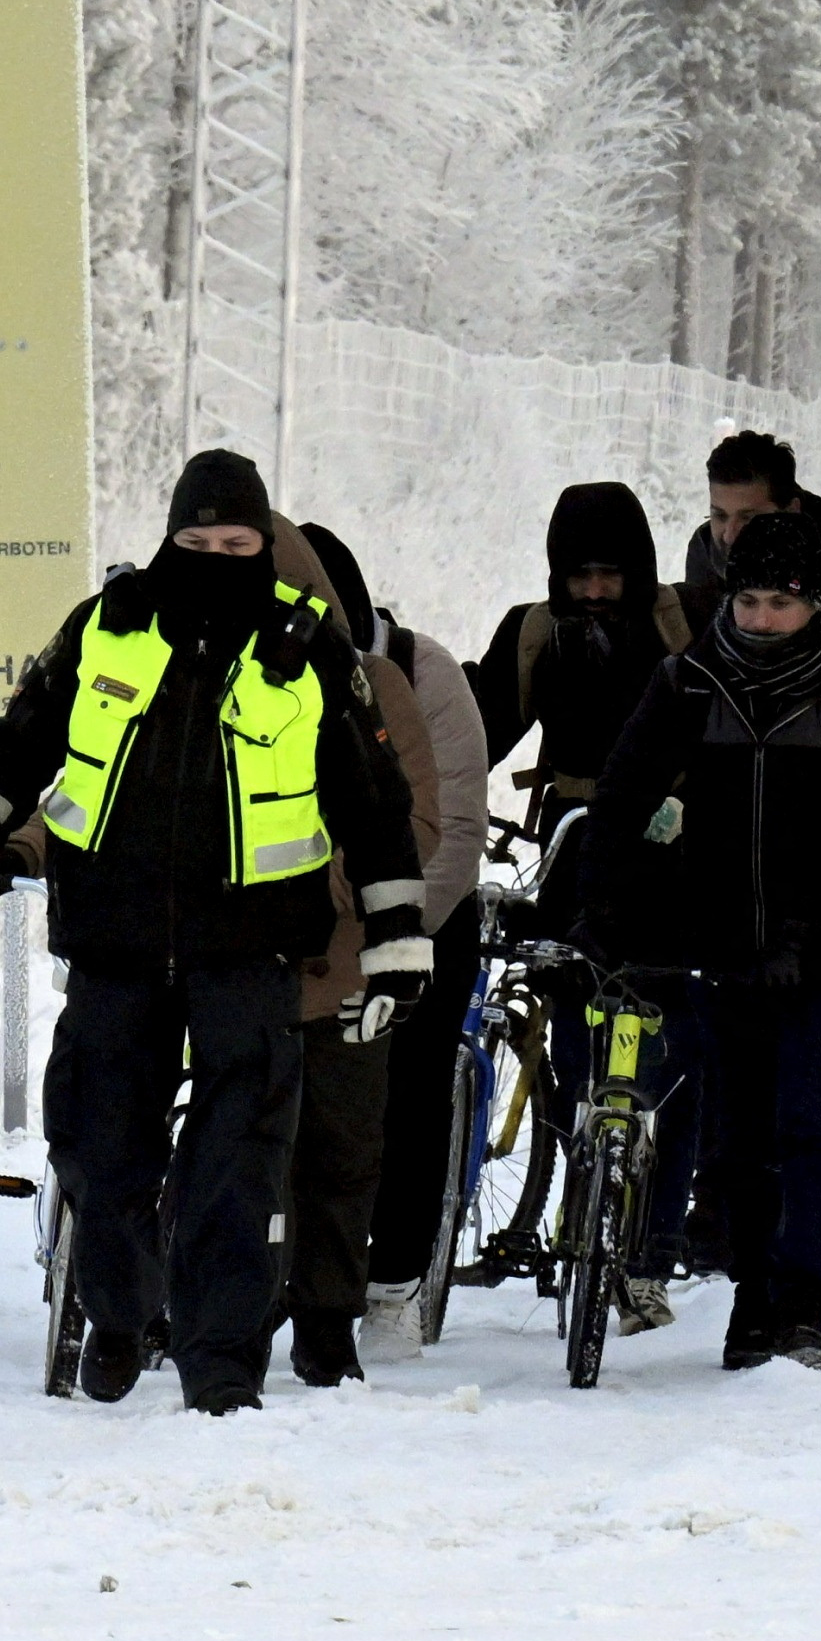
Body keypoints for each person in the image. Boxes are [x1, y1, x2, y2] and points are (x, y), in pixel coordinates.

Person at [0, 452, 425, 1411]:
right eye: (197, 542)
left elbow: (375, 803)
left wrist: (398, 939)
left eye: (237, 543)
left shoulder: (306, 645)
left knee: (238, 1172)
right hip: (115, 943)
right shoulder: (107, 626)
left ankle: (222, 1364)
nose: (215, 556)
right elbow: (15, 740)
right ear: (168, 537)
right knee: (98, 1153)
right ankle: (120, 1314)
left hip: (254, 950)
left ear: (264, 543)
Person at [551, 510, 821, 1371]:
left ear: (813, 602)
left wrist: (811, 934)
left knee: (812, 1121)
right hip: (728, 941)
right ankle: (753, 1301)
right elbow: (624, 791)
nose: (759, 619)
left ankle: (804, 1306)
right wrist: (600, 905)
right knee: (739, 1135)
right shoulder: (691, 679)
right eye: (747, 600)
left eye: (778, 604)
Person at [286, 520, 484, 1377]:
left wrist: (389, 931)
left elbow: (451, 830)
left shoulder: (420, 677)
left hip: (417, 913)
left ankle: (394, 1277)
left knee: (405, 1095)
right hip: (303, 919)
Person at [469, 481, 689, 826]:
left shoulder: (682, 622)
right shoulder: (531, 632)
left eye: (609, 573)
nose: (594, 591)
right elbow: (479, 740)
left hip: (670, 828)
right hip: (572, 828)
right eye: (580, 575)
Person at [683, 427, 821, 645]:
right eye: (719, 516)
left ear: (791, 510)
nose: (729, 535)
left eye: (748, 518)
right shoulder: (705, 552)